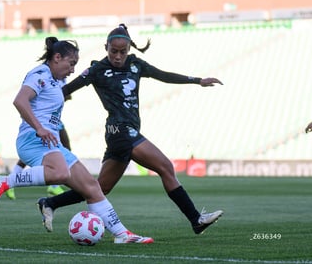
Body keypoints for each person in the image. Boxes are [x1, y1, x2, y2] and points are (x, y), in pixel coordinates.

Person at [36, 24, 224, 235]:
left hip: (125, 132)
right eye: (113, 51)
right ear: (106, 47)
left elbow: (164, 75)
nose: (117, 56)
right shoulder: (97, 69)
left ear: (128, 50)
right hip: (120, 130)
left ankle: (50, 203)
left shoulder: (136, 64)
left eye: (122, 52)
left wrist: (198, 81)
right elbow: (67, 89)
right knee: (165, 167)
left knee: (99, 189)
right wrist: (38, 104)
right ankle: (195, 219)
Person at [0, 36, 154, 244]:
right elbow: (19, 101)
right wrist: (39, 128)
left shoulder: (55, 80)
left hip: (51, 143)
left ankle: (122, 234)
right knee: (60, 172)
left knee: (91, 187)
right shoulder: (40, 74)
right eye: (71, 63)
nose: (73, 69)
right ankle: (3, 182)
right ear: (57, 57)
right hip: (33, 139)